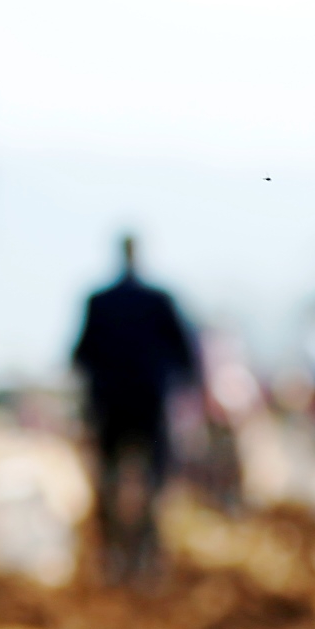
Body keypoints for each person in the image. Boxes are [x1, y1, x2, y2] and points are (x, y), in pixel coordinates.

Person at [72, 234, 195, 583]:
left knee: (107, 478)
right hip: (149, 403)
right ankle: (148, 558)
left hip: (108, 405)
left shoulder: (98, 301)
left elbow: (79, 355)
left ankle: (112, 558)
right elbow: (185, 354)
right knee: (155, 480)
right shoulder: (159, 300)